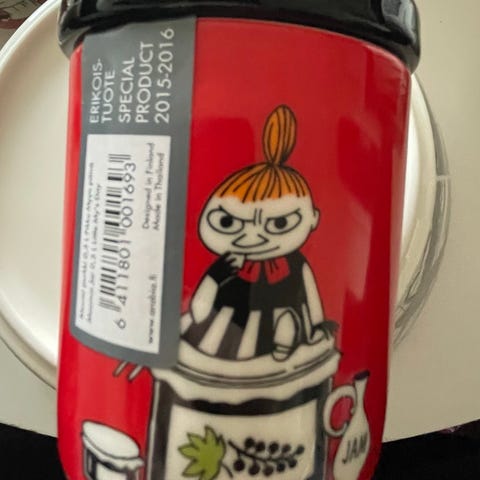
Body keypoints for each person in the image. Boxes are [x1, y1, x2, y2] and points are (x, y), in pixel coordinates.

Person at [182, 105, 336, 362]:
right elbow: (200, 310)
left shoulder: (295, 264)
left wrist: (318, 325)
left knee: (289, 326)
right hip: (223, 338)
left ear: (313, 219)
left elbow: (311, 298)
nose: (253, 237)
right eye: (228, 222)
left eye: (279, 224)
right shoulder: (226, 267)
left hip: (284, 329)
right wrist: (216, 277)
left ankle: (287, 344)